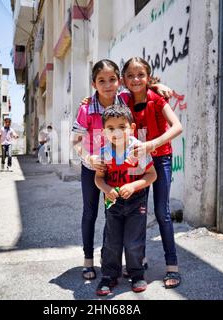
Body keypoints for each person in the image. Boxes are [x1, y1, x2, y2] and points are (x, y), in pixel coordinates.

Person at [71, 59, 173, 281]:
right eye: (101, 81)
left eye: (112, 79)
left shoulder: (124, 100)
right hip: (94, 166)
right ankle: (88, 261)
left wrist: (157, 86)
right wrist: (90, 157)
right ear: (94, 83)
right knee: (90, 212)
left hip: (122, 167)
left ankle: (134, 262)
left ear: (119, 82)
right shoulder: (86, 107)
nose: (107, 85)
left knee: (124, 216)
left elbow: (140, 87)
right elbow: (76, 140)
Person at [122, 57, 183, 289]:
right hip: (137, 160)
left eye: (141, 75)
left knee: (161, 211)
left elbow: (177, 127)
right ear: (123, 80)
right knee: (138, 211)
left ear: (148, 77)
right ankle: (140, 261)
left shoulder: (157, 99)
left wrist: (151, 145)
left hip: (160, 159)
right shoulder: (124, 100)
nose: (136, 79)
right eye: (130, 75)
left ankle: (172, 266)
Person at [94, 104, 157, 296]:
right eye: (111, 128)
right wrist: (107, 188)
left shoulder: (138, 150)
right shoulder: (104, 153)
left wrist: (133, 186)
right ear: (104, 131)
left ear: (132, 128)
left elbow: (151, 175)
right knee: (112, 240)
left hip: (136, 200)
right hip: (113, 202)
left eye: (122, 127)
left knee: (133, 240)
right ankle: (109, 275)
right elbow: (98, 178)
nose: (117, 132)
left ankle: (136, 273)